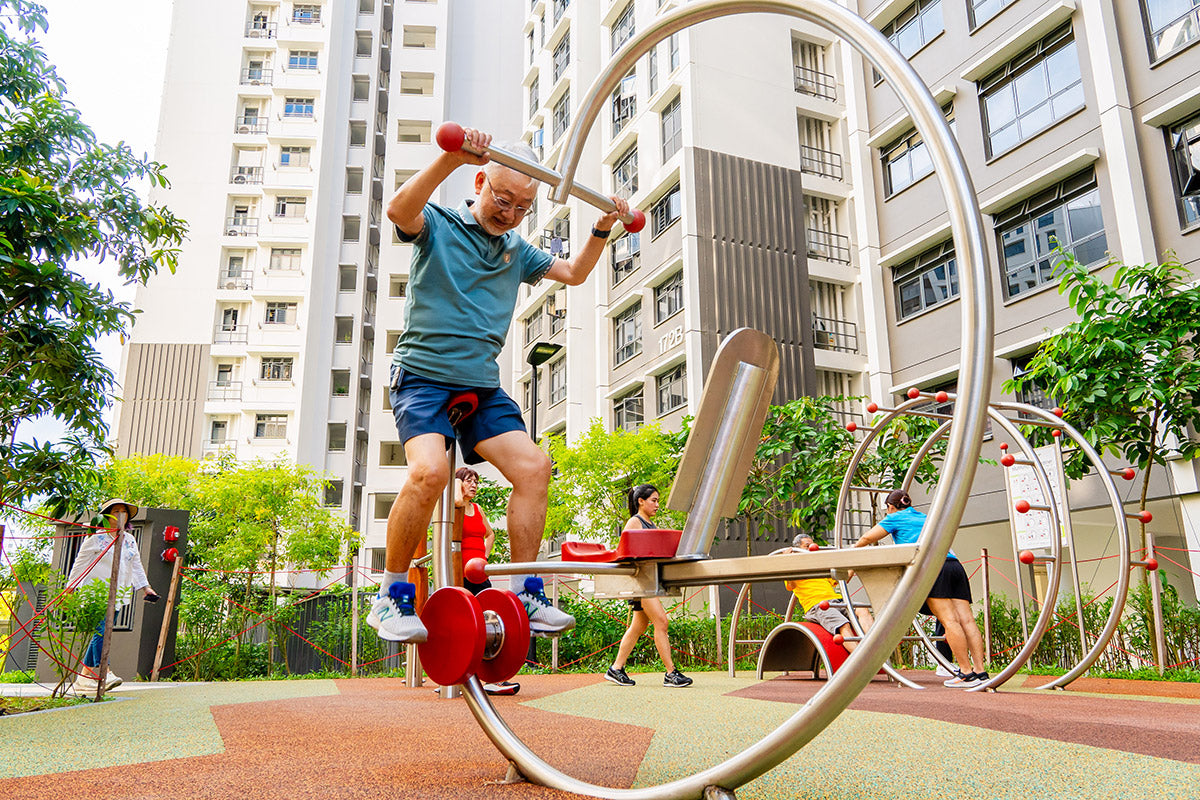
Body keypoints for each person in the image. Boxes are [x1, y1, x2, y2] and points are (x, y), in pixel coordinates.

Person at [368, 127, 630, 644]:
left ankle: (526, 593)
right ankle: (392, 596)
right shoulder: (439, 225)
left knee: (535, 467)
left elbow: (574, 273)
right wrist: (449, 158)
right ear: (481, 180)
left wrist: (601, 229)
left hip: (481, 386)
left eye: (521, 207)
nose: (508, 214)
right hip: (422, 376)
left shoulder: (517, 250)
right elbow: (400, 211)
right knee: (429, 472)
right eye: (502, 199)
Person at [852, 489, 989, 687]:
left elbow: (866, 539)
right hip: (954, 564)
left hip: (933, 566)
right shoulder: (926, 517)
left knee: (949, 621)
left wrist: (852, 558)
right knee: (967, 620)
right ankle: (980, 670)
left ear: (890, 507)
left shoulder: (895, 517)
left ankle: (966, 673)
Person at [604, 485, 693, 688]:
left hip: (648, 581)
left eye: (658, 500)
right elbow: (625, 551)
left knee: (639, 626)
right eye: (653, 500)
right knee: (661, 622)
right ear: (641, 501)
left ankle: (616, 668)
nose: (657, 505)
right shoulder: (635, 522)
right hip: (641, 582)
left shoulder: (650, 523)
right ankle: (671, 673)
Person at [65, 499, 158, 692]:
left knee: (103, 631)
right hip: (95, 593)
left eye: (124, 512)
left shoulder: (130, 540)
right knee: (102, 630)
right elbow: (79, 564)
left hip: (118, 593)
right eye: (116, 511)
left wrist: (146, 588)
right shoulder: (95, 539)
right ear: (106, 515)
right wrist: (70, 589)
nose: (120, 515)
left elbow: (136, 565)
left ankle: (83, 676)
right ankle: (104, 671)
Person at [782, 534, 872, 651]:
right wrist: (787, 562)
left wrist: (855, 559)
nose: (812, 548)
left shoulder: (818, 566)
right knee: (843, 625)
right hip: (818, 605)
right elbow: (791, 585)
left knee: (863, 609)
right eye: (807, 546)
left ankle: (873, 647)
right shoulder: (793, 568)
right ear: (797, 549)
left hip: (837, 601)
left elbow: (843, 579)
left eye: (813, 545)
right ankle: (861, 657)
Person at [454, 467, 495, 595]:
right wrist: (456, 482)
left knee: (486, 606)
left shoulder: (478, 508)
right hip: (461, 572)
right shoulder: (454, 507)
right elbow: (458, 501)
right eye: (468, 481)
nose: (474, 485)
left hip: (480, 571)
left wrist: (485, 557)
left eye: (476, 482)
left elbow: (490, 534)